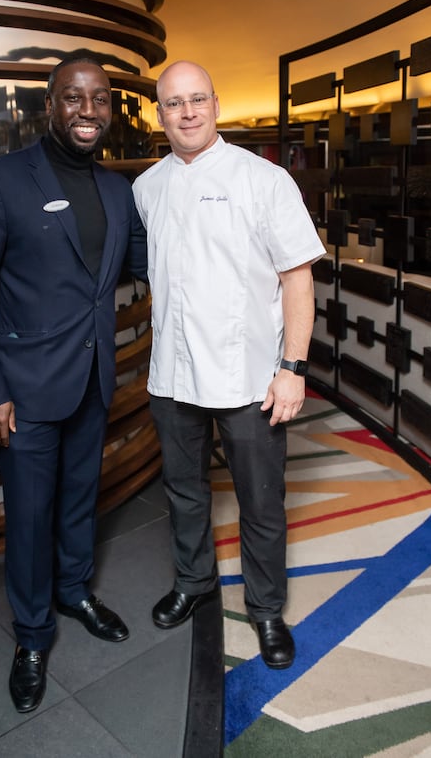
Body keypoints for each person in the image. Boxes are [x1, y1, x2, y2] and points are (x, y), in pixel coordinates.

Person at [0, 55, 147, 713]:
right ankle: (32, 635)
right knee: (28, 518)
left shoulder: (118, 191)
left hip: (91, 379)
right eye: (73, 98)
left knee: (80, 498)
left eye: (100, 100)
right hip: (22, 391)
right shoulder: (0, 181)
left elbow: (155, 261)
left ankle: (74, 590)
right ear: (49, 106)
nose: (88, 112)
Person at [132, 60, 326, 670]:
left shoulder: (264, 180)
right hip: (173, 374)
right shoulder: (146, 187)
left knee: (261, 501)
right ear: (159, 114)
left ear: (216, 104)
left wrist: (292, 366)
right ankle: (194, 582)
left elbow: (298, 276)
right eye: (172, 103)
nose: (186, 113)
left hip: (249, 378)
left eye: (197, 100)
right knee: (184, 493)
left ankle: (267, 609)